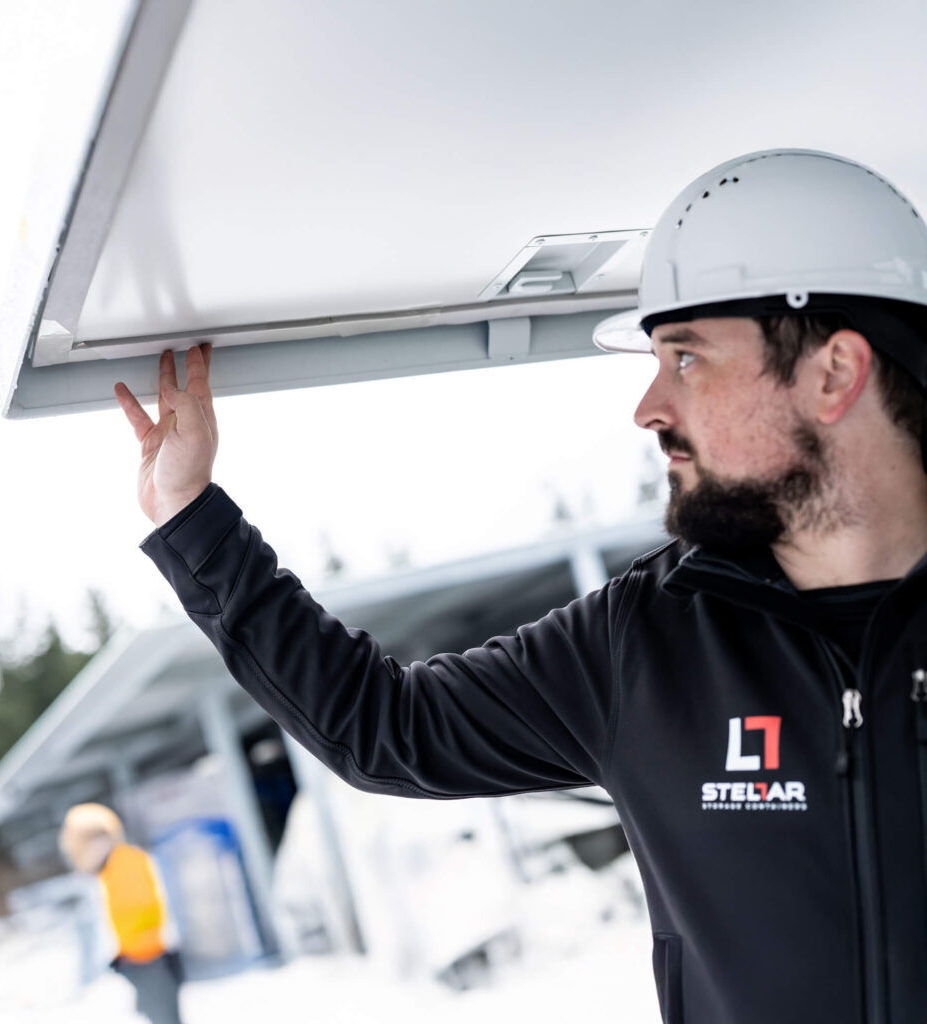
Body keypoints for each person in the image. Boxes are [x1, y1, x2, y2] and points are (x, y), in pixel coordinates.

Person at [114, 149, 927, 1024]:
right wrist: (193, 518)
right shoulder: (643, 645)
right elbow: (387, 727)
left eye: (686, 359)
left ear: (834, 374)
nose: (650, 406)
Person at [59, 804, 184, 1024]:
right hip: (136, 960)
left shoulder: (125, 864)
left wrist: (130, 953)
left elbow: (143, 910)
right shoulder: (109, 869)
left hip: (146, 959)